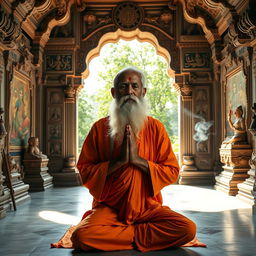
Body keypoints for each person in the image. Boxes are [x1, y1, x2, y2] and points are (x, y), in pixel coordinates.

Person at [51, 67, 206, 251]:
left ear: (143, 92)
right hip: (109, 208)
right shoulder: (100, 128)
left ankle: (121, 235)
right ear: (114, 92)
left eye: (135, 86)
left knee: (187, 229)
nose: (129, 92)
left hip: (147, 207)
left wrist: (138, 160)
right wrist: (118, 163)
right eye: (123, 87)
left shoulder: (156, 128)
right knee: (81, 237)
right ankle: (141, 234)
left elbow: (172, 171)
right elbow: (84, 170)